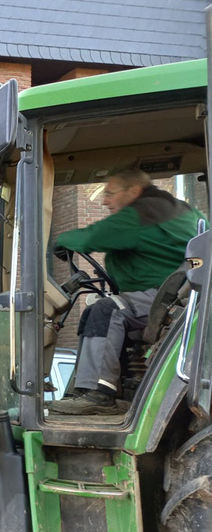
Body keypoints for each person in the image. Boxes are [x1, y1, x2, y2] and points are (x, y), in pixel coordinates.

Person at [49, 168, 200, 416]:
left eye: (110, 194)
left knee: (106, 311)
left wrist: (61, 241)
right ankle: (84, 390)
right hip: (178, 294)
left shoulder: (143, 212)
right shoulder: (175, 209)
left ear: (134, 191)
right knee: (96, 312)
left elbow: (93, 236)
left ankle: (98, 394)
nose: (105, 201)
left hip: (165, 298)